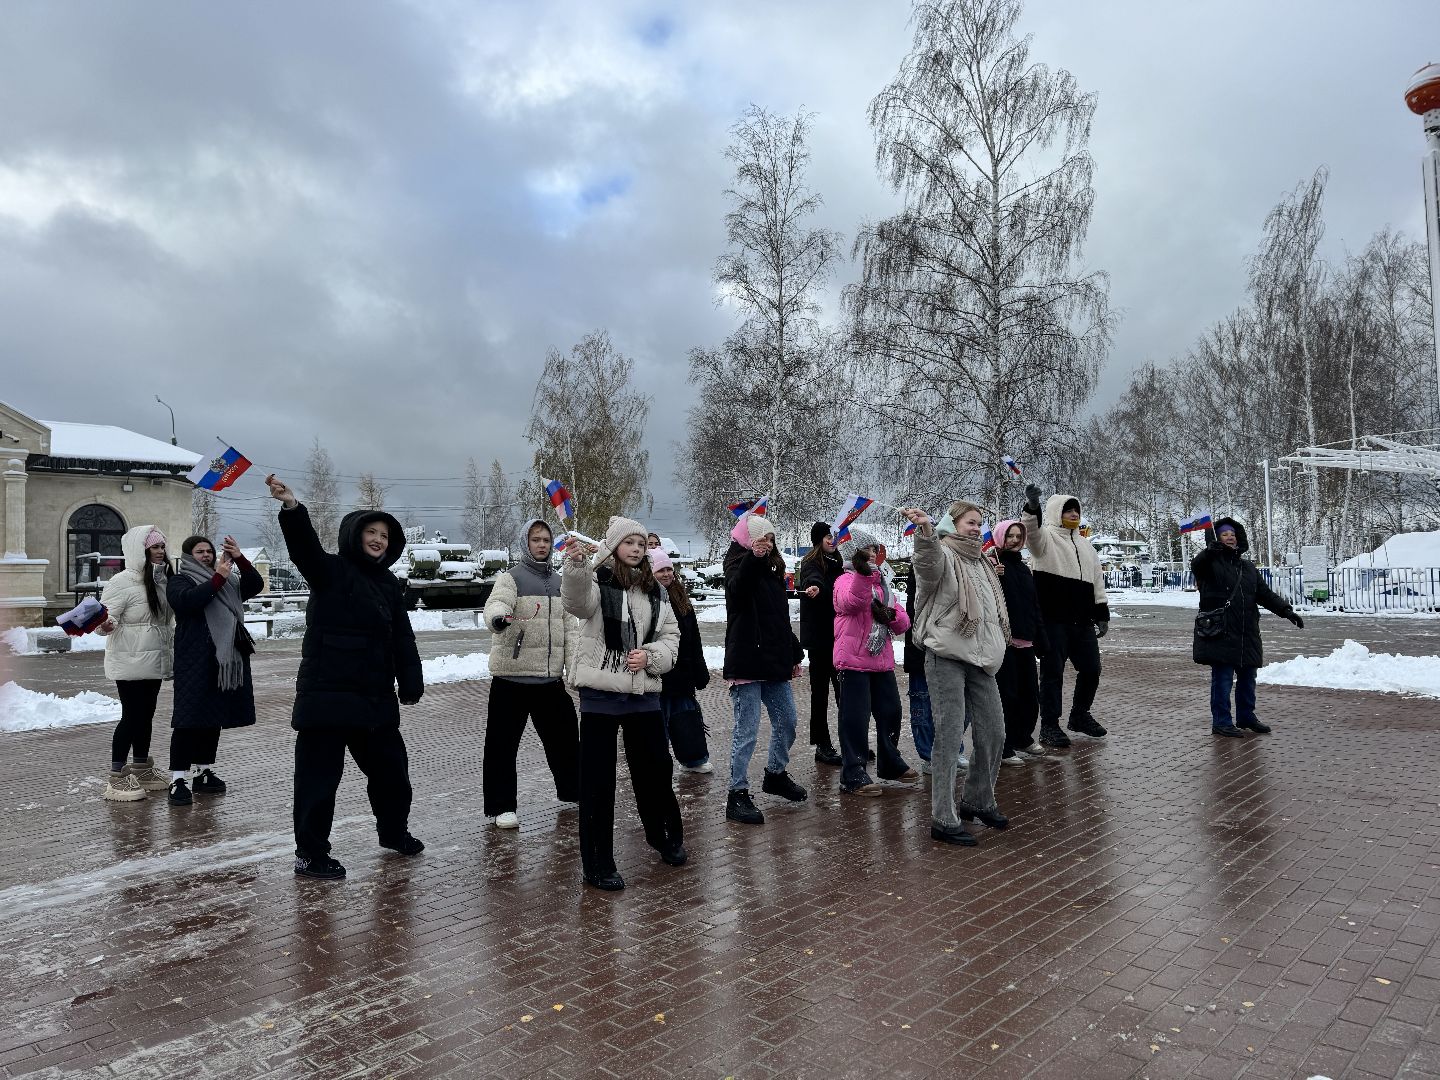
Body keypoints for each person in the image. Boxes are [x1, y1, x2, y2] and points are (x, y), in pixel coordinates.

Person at [269, 474, 425, 881]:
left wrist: (410, 680)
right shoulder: (331, 572)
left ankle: (393, 833)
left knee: (393, 774)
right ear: (354, 535)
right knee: (317, 784)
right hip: (327, 698)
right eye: (371, 533)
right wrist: (291, 508)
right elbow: (304, 549)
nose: (378, 540)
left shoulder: (389, 584)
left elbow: (402, 638)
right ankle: (310, 854)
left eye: (385, 536)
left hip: (373, 700)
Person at [561, 516, 684, 891]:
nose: (635, 549)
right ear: (613, 546)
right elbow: (577, 603)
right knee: (598, 781)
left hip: (643, 692)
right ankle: (597, 862)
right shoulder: (598, 579)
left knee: (655, 770)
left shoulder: (655, 589)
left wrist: (650, 656)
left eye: (641, 543)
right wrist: (577, 566)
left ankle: (663, 835)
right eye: (628, 542)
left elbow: (670, 634)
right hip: (601, 692)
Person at [905, 503, 1010, 847]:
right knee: (949, 736)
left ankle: (977, 800)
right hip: (946, 653)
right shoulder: (943, 553)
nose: (975, 528)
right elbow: (927, 566)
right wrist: (925, 532)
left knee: (994, 731)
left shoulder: (981, 562)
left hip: (980, 659)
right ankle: (942, 817)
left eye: (980, 523)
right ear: (953, 524)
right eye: (969, 522)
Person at [480, 517, 580, 830]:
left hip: (550, 681)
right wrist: (498, 618)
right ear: (526, 543)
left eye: (546, 541)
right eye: (536, 540)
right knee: (501, 746)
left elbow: (569, 629)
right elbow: (496, 603)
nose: (541, 545)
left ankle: (574, 790)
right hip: (512, 679)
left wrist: (575, 666)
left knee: (565, 739)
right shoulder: (511, 578)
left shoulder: (560, 581)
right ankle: (501, 806)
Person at [722, 510, 807, 825]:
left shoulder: (773, 569)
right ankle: (737, 793)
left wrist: (793, 651)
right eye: (761, 538)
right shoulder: (737, 566)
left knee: (788, 720)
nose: (768, 544)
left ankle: (775, 774)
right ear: (747, 540)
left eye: (771, 538)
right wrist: (753, 559)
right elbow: (738, 591)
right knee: (747, 731)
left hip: (773, 661)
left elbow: (777, 617)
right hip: (746, 660)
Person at [165, 534, 263, 807]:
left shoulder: (229, 581)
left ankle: (203, 772)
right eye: (200, 551)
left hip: (224, 660)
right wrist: (217, 577)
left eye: (209, 551)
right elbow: (188, 602)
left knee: (213, 716)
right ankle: (178, 778)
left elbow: (255, 585)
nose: (206, 555)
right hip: (194, 658)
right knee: (188, 718)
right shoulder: (180, 580)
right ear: (188, 556)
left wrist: (239, 558)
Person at [1191, 518, 1304, 736]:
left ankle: (1246, 716)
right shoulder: (1209, 563)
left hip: (1247, 631)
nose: (1230, 537)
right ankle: (1221, 722)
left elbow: (1264, 594)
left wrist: (1286, 611)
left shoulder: (1247, 567)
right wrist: (1209, 551)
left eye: (1232, 533)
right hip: (1221, 631)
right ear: (1216, 538)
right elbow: (1197, 565)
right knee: (1223, 679)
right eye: (1224, 534)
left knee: (1248, 677)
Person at [1021, 485, 1110, 748]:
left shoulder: (1085, 545)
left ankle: (1080, 714)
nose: (1073, 514)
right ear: (1055, 513)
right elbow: (1031, 534)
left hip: (1082, 622)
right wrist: (1032, 507)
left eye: (1076, 510)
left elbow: (1097, 581)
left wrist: (1101, 612)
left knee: (1092, 669)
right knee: (1052, 674)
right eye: (1067, 510)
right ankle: (1050, 725)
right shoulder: (1045, 538)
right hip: (1052, 621)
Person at [832, 527, 915, 795]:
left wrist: (888, 614)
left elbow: (903, 623)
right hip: (853, 660)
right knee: (855, 719)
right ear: (853, 554)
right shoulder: (845, 580)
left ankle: (890, 762)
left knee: (891, 712)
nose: (872, 554)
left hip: (881, 660)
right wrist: (862, 575)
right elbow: (852, 603)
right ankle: (853, 774)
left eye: (874, 549)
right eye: (866, 550)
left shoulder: (884, 586)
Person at [98, 525, 175, 801]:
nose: (160, 552)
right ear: (139, 550)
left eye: (162, 547)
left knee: (146, 715)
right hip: (130, 660)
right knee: (132, 716)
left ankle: (141, 767)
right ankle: (116, 777)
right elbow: (105, 619)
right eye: (155, 547)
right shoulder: (121, 581)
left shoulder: (161, 580)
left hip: (154, 659)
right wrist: (106, 624)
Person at [993, 519, 1049, 765]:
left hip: (1025, 641)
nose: (1015, 540)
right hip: (1004, 642)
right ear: (999, 538)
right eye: (1010, 536)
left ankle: (1021, 737)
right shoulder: (993, 564)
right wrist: (994, 576)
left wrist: (1040, 636)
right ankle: (1003, 747)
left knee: (1030, 695)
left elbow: (1033, 604)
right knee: (1007, 696)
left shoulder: (1024, 569)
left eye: (1018, 536)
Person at [652, 548, 712, 773]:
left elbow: (693, 637)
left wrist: (699, 668)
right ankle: (656, 763)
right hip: (658, 671)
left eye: (669, 569)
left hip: (683, 670)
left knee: (686, 718)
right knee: (657, 721)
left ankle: (694, 758)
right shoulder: (647, 598)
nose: (666, 574)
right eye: (660, 570)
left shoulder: (680, 597)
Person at [797, 522, 844, 766]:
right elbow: (814, 580)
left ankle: (850, 742)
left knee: (844, 693)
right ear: (818, 539)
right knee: (821, 694)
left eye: (834, 536)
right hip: (820, 640)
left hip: (840, 637)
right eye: (828, 536)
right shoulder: (811, 563)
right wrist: (814, 587)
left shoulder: (840, 561)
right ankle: (822, 745)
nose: (832, 540)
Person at [901, 562, 933, 774]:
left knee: (951, 703)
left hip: (946, 647)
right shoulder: (922, 565)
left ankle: (952, 749)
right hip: (920, 644)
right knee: (922, 701)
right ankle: (928, 753)